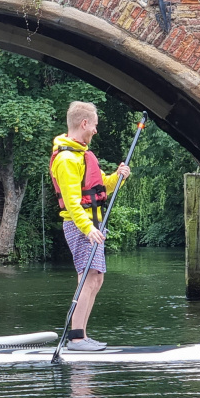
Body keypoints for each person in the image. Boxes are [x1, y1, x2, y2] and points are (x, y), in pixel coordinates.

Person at [49, 101, 130, 351]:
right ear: (84, 123)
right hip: (81, 226)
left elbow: (102, 185)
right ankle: (76, 338)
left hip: (93, 226)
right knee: (87, 279)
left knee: (96, 279)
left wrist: (118, 177)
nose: (95, 130)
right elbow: (72, 202)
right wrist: (88, 228)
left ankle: (81, 335)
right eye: (94, 125)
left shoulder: (83, 155)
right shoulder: (66, 159)